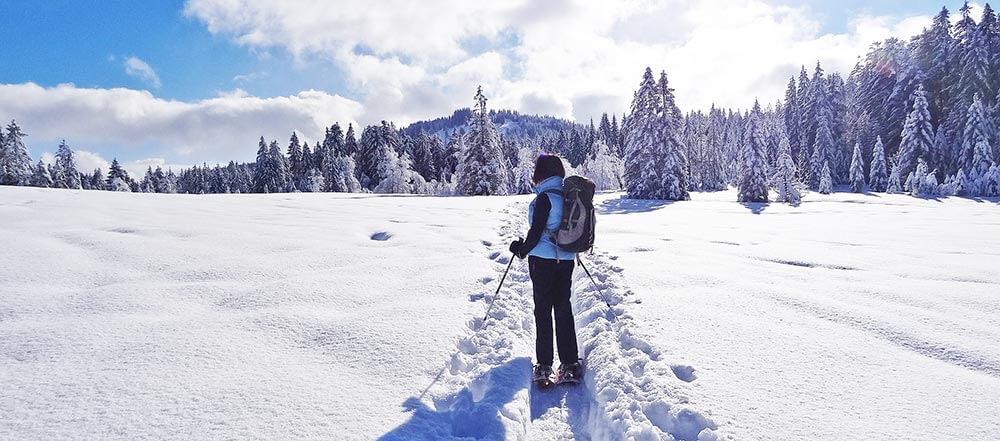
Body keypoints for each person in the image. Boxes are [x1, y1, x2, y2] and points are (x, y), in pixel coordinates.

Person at [509, 154, 582, 385]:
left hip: (542, 261)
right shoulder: (568, 196)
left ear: (541, 174)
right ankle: (570, 364)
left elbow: (536, 233)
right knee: (563, 307)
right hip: (567, 259)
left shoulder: (544, 198)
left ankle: (544, 366)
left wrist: (520, 250)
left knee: (542, 310)